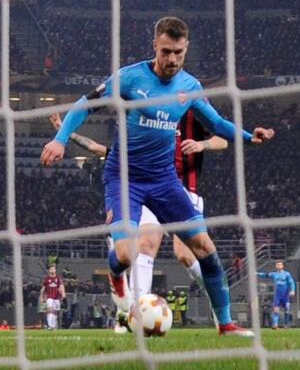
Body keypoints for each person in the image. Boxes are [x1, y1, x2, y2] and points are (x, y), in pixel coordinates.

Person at [41, 16, 275, 337]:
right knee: (126, 254)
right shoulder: (129, 78)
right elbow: (85, 104)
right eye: (166, 51)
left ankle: (226, 324)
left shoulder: (190, 87)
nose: (172, 60)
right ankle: (116, 277)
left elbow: (217, 124)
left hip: (164, 181)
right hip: (125, 178)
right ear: (155, 45)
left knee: (205, 247)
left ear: (186, 48)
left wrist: (250, 137)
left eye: (178, 52)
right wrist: (61, 139)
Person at [51, 101, 229, 333]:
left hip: (185, 191)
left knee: (185, 255)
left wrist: (201, 144)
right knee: (145, 244)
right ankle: (132, 315)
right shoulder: (142, 131)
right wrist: (65, 133)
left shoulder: (192, 113)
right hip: (149, 189)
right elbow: (99, 149)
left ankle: (217, 305)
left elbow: (223, 139)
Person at [257, 260, 296, 329]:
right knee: (276, 310)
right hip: (277, 296)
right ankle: (275, 325)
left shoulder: (287, 274)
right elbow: (266, 275)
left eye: (280, 265)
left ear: (282, 266)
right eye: (277, 265)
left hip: (285, 295)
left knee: (287, 310)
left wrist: (292, 290)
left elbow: (291, 282)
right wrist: (257, 273)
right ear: (275, 266)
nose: (278, 266)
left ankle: (286, 324)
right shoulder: (274, 274)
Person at [42, 265, 66, 330]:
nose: (53, 270)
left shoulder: (58, 278)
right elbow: (43, 289)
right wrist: (42, 297)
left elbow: (61, 286)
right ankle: (50, 325)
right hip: (49, 297)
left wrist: (63, 293)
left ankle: (53, 325)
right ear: (49, 271)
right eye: (51, 269)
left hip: (56, 297)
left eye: (54, 269)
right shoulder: (47, 279)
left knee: (55, 312)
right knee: (49, 310)